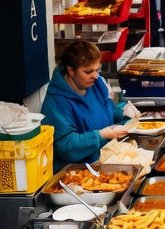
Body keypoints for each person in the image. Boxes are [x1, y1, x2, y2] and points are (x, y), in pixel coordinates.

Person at [41, 39, 136, 171]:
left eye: (97, 70)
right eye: (88, 71)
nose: (95, 76)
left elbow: (104, 110)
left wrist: (123, 111)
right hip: (76, 173)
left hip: (105, 160)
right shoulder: (56, 102)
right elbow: (65, 146)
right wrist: (100, 136)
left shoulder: (95, 84)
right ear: (71, 70)